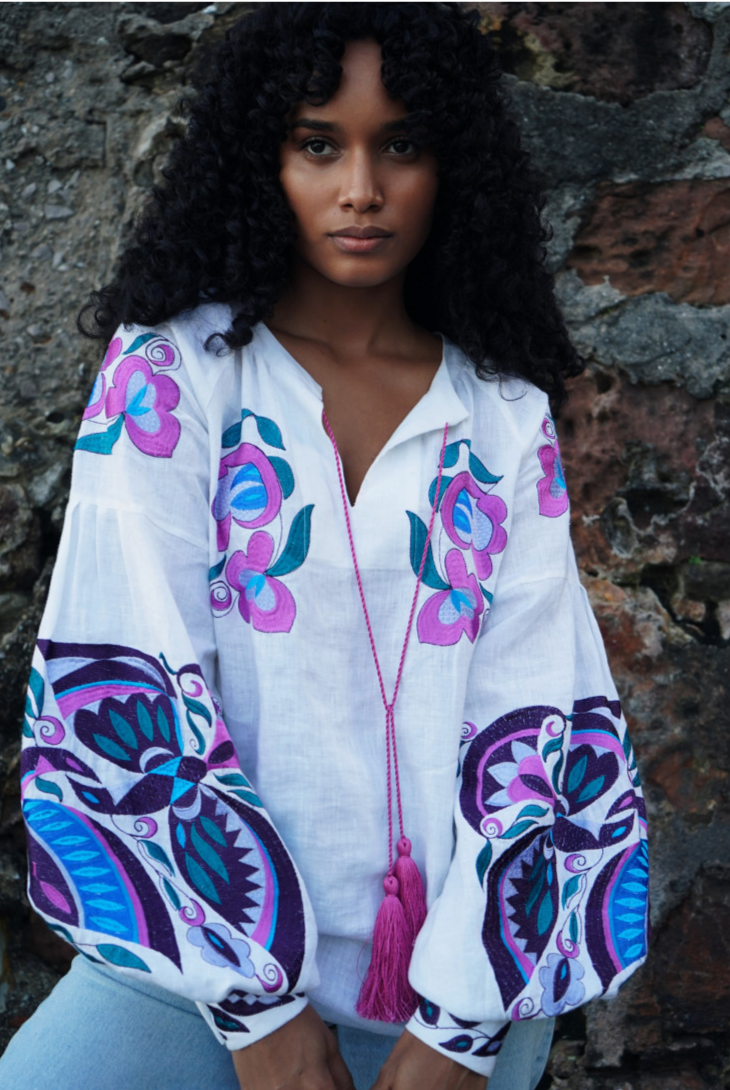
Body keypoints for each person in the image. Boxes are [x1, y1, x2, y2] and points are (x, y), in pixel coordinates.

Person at [0, 3, 650, 1089]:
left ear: (453, 167)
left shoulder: (499, 404)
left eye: (401, 143)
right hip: (195, 976)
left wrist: (458, 1033)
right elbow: (126, 668)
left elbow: (545, 705)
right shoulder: (174, 370)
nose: (361, 188)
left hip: (452, 1004)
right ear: (262, 160)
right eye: (318, 144)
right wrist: (259, 1012)